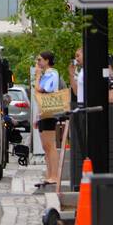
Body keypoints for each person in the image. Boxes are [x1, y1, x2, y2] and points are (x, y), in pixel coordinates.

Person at [34, 51, 62, 191]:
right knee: (46, 146)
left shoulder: (52, 73)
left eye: (39, 59)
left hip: (49, 111)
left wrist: (38, 77)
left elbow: (41, 89)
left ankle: (54, 175)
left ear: (47, 60)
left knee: (50, 145)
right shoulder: (46, 74)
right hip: (43, 112)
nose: (37, 62)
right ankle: (49, 173)